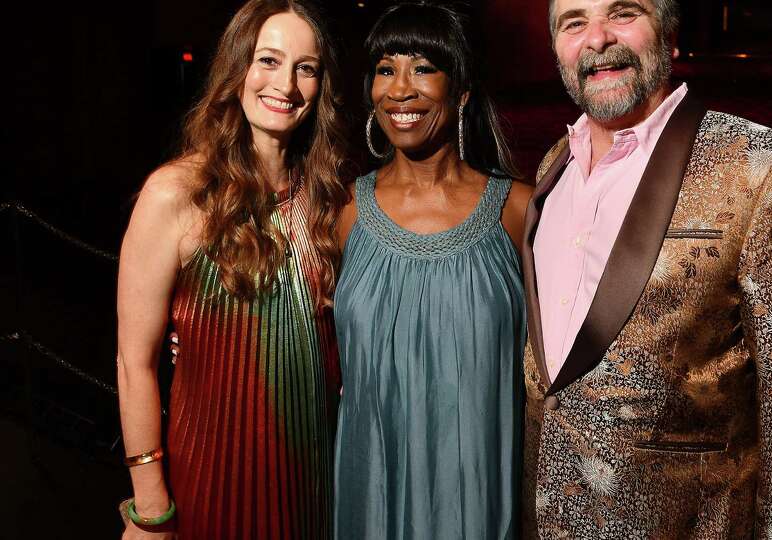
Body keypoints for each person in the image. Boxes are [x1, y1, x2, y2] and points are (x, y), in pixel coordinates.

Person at [521, 0, 772, 538]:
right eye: (573, 22)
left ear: (668, 35)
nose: (597, 39)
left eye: (622, 12)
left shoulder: (761, 169)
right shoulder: (555, 162)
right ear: (556, 49)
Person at [116, 1, 348, 538]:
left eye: (305, 68)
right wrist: (151, 509)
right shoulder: (175, 194)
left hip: (314, 479)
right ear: (236, 67)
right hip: (212, 476)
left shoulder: (330, 199)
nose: (285, 85)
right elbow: (134, 362)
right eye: (268, 60)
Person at [332, 3, 532, 539]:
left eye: (423, 67)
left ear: (461, 91)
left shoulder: (519, 211)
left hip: (482, 503)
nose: (400, 89)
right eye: (384, 69)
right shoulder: (343, 213)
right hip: (371, 494)